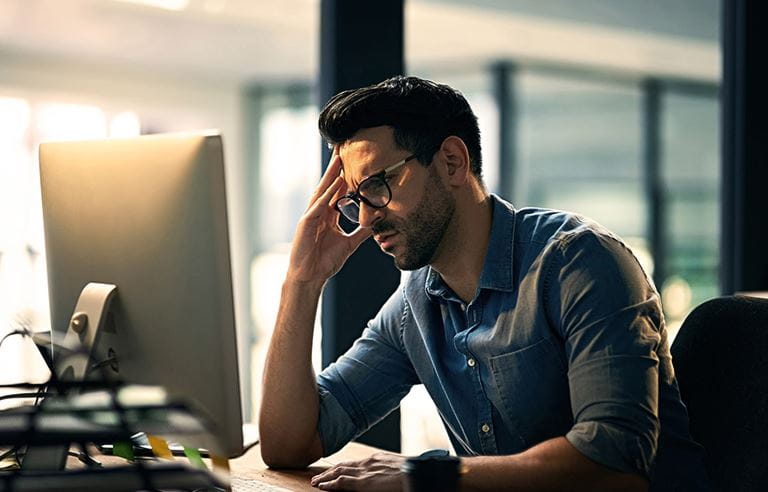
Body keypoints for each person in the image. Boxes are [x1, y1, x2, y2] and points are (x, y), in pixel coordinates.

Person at [259, 76, 708, 491]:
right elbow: (291, 444)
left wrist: (425, 474)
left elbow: (615, 465)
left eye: (380, 183)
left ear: (452, 162)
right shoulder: (416, 305)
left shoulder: (580, 263)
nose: (369, 216)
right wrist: (303, 280)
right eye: (356, 199)